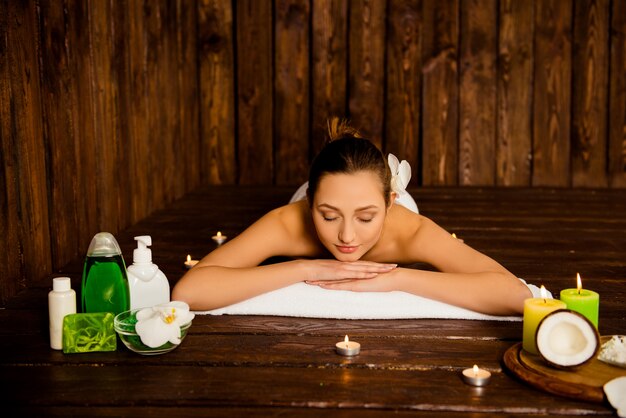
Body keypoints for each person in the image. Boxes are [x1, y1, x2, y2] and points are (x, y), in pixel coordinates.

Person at [172, 118, 532, 315]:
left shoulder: (411, 231)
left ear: (390, 204)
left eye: (366, 217)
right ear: (311, 204)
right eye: (328, 217)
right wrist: (305, 268)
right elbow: (191, 290)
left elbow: (515, 294)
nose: (347, 236)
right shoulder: (289, 221)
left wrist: (397, 278)